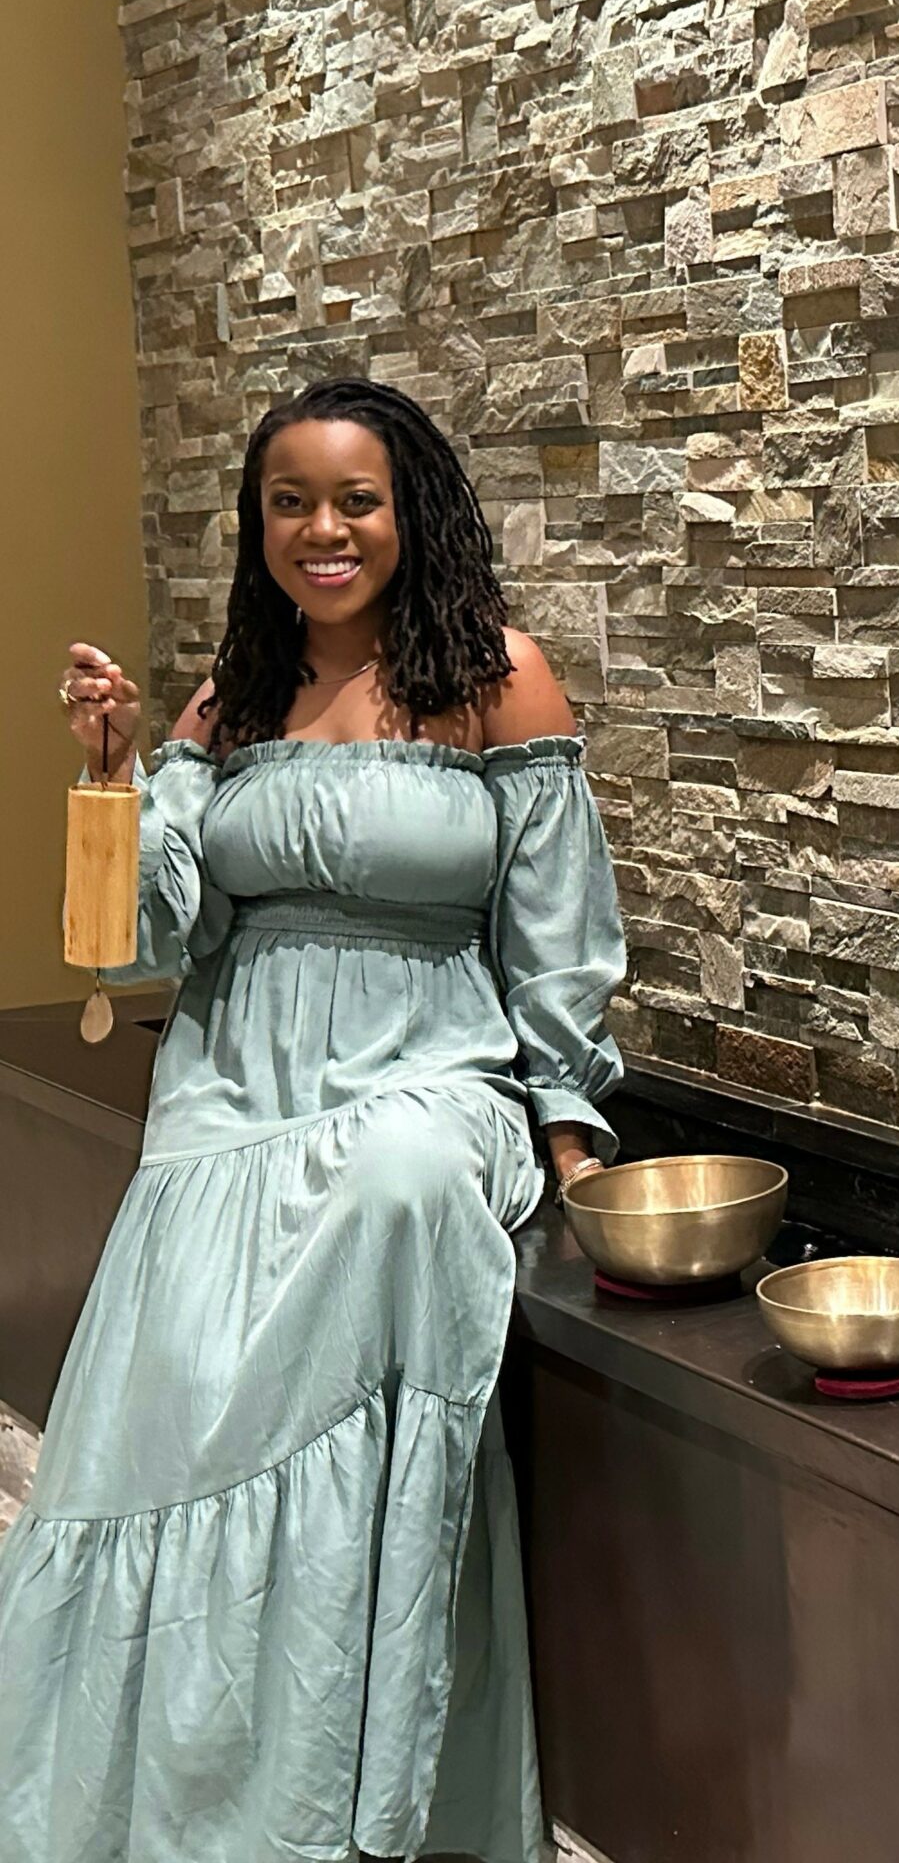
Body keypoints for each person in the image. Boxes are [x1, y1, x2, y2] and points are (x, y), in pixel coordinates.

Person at [0, 375, 628, 1863]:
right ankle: (176, 1788)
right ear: (257, 524)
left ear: (411, 511)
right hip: (234, 1096)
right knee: (177, 1394)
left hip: (432, 1071)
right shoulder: (229, 705)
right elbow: (126, 945)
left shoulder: (500, 683)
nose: (324, 529)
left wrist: (566, 1119)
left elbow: (558, 928)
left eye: (357, 498)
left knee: (403, 1182)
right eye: (291, 501)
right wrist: (112, 775)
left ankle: (345, 1767)